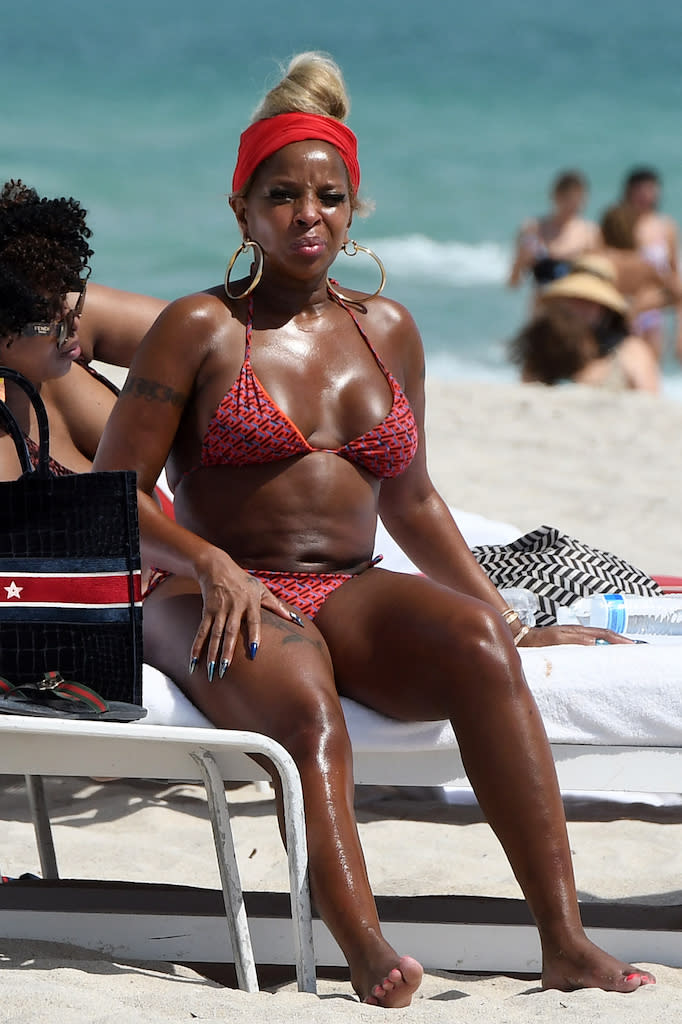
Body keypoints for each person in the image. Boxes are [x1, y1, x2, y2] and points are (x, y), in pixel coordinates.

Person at [94, 53, 655, 1007]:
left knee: (481, 647)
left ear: (353, 212)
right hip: (204, 592)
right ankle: (366, 949)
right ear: (243, 212)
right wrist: (209, 560)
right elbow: (111, 497)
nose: (306, 213)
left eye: (328, 196)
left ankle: (563, 941)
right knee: (306, 697)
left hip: (347, 587)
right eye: (281, 195)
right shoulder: (199, 328)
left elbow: (416, 501)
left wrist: (509, 615)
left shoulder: (387, 331)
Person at [0, 179, 166, 480]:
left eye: (67, 294)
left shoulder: (65, 318)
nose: (72, 321)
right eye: (43, 313)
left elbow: (209, 338)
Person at [511, 255, 660, 392]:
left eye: (590, 302)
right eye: (575, 299)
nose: (580, 308)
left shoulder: (631, 351)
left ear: (605, 309)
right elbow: (527, 387)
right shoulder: (546, 348)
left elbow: (650, 401)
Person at [620, 167, 681, 357]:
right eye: (640, 190)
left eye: (650, 190)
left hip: (654, 305)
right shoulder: (621, 224)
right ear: (629, 192)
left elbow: (672, 274)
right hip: (626, 302)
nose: (646, 195)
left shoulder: (665, 226)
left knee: (651, 360)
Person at [508, 170, 600, 291]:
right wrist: (522, 259)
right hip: (541, 305)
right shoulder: (533, 229)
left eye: (578, 199)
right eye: (568, 198)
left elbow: (599, 281)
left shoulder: (590, 233)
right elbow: (513, 283)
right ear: (555, 196)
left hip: (576, 305)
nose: (573, 204)